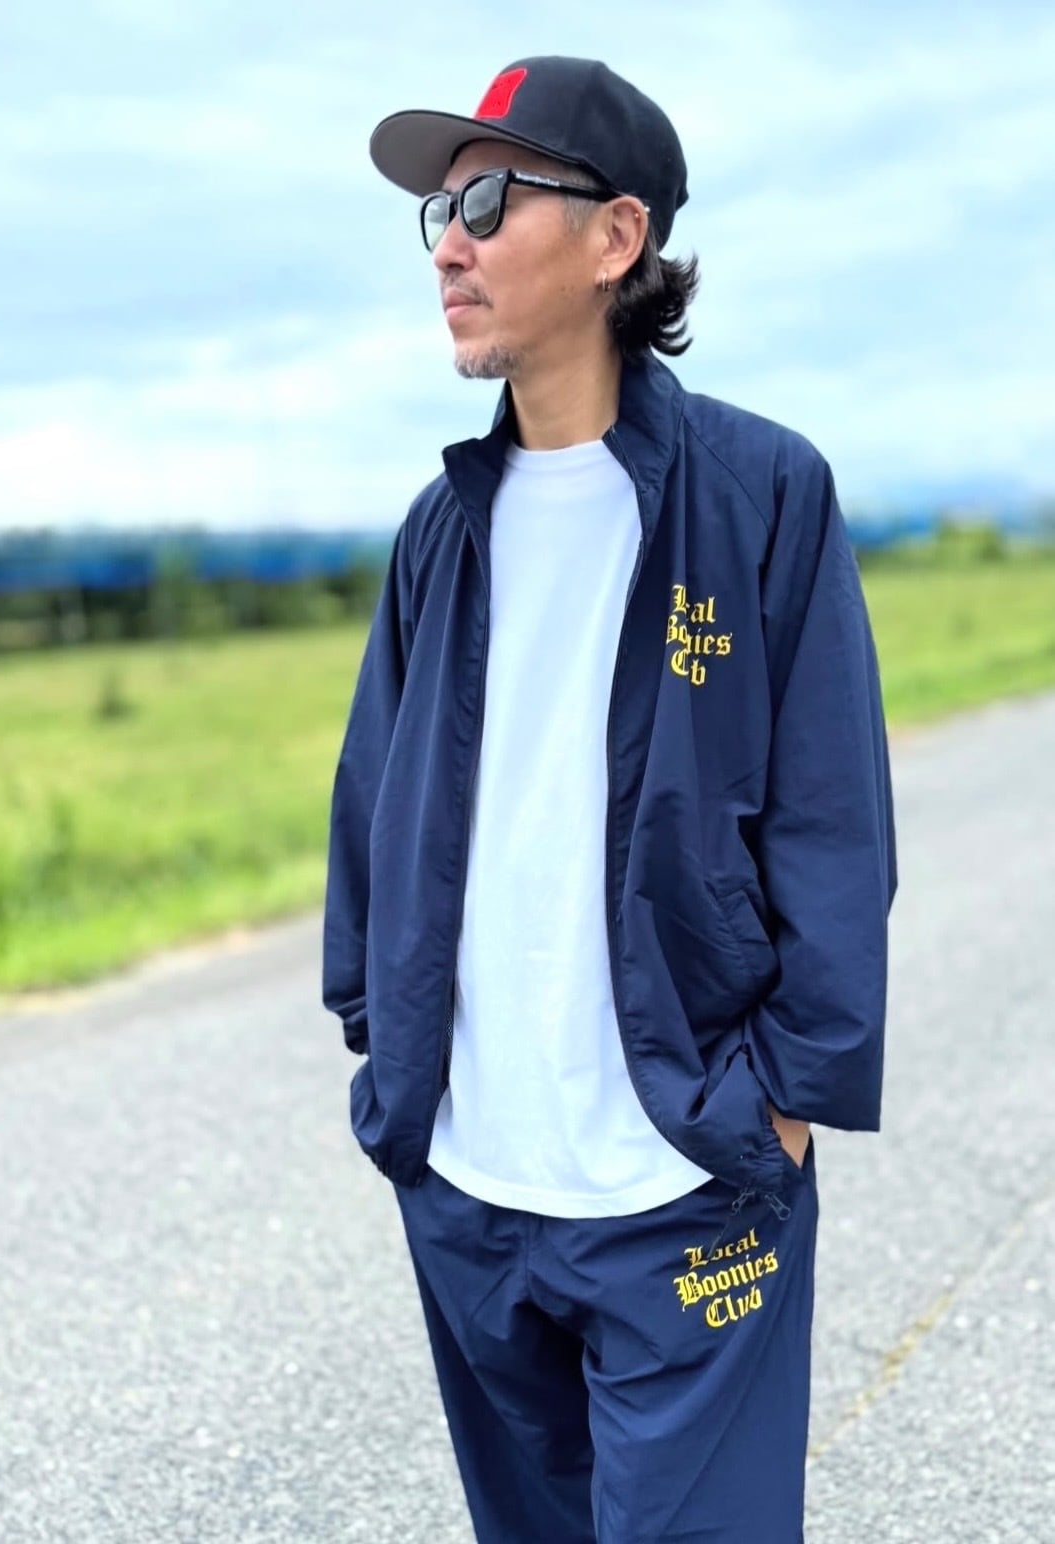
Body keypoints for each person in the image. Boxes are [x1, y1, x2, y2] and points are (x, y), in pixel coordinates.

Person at [322, 54, 897, 1544]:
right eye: (439, 212)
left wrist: (782, 1102)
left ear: (617, 237)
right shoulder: (442, 529)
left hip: (682, 1177)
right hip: (471, 1181)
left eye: (488, 202)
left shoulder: (762, 492)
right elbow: (374, 807)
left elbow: (833, 818)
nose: (447, 245)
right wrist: (388, 1058)